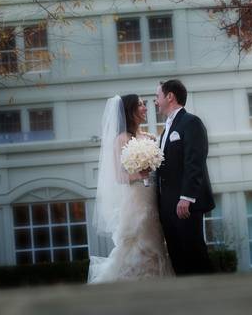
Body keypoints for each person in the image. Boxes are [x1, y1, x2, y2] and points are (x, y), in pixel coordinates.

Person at [88, 94, 174, 283]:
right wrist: (139, 174)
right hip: (136, 199)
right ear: (130, 111)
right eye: (141, 105)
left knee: (157, 241)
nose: (145, 108)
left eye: (145, 104)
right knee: (139, 239)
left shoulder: (149, 137)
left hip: (153, 196)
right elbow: (119, 176)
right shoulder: (121, 139)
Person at [155, 79, 214, 275]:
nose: (156, 101)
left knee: (194, 255)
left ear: (170, 96)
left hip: (184, 204)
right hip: (168, 206)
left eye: (158, 96)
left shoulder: (191, 123)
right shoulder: (165, 131)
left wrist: (186, 198)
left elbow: (194, 162)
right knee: (177, 258)